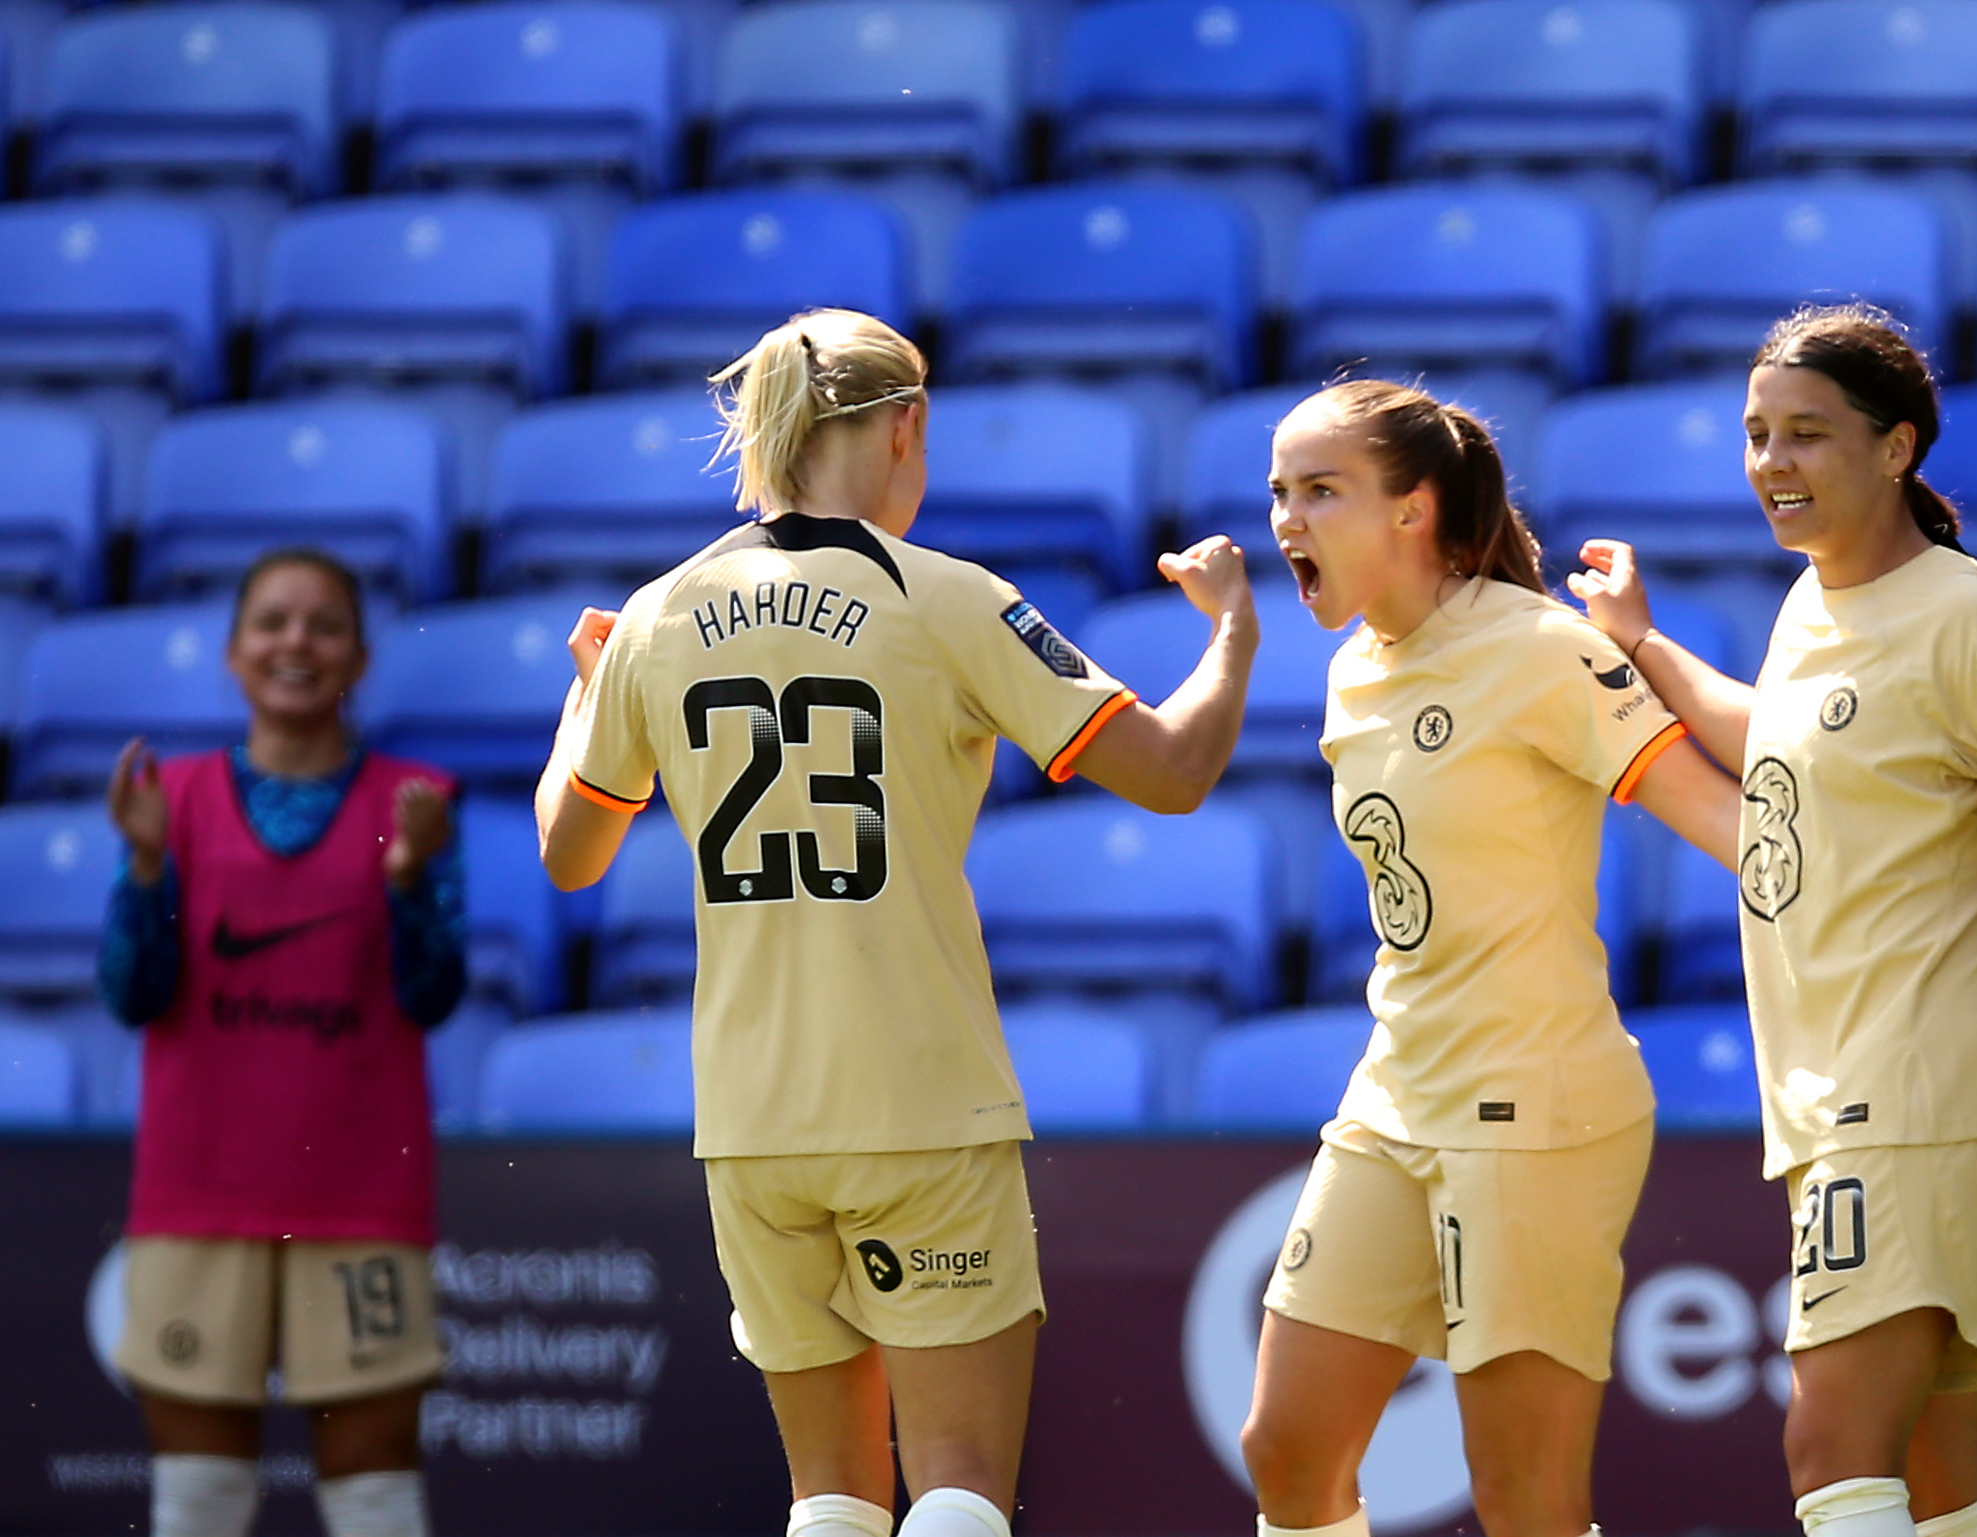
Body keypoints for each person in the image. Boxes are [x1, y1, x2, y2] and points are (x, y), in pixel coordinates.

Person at [532, 308, 1257, 1537]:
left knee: (829, 1500)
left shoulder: (656, 615)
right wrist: (1234, 630)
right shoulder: (949, 600)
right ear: (907, 426)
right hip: (916, 1096)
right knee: (960, 1482)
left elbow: (568, 850)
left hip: (751, 1121)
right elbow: (1174, 771)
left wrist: (583, 697)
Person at [1571, 304, 1977, 1537]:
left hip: (1909, 1085)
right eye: (1753, 436)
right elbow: (1774, 739)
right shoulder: (1811, 602)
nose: (1770, 465)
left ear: (1896, 448)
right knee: (1941, 1473)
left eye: (1804, 434)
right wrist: (1644, 649)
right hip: (1843, 1090)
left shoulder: (1968, 615)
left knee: (1828, 1444)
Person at [1239, 379, 1741, 1537]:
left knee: (1524, 1498)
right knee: (1288, 1448)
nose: (1287, 521)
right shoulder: (1352, 667)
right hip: (1396, 1091)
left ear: (1413, 509)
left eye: (1322, 490)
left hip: (1535, 1100)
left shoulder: (1537, 648)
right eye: (1279, 492)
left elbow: (1723, 825)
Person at [100, 549, 466, 1537]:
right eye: (271, 622)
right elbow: (131, 994)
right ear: (232, 653)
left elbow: (434, 995)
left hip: (359, 1194)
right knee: (200, 1493)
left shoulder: (417, 804)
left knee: (374, 1482)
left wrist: (409, 883)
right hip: (198, 1187)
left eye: (322, 625)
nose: (294, 643)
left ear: (358, 656)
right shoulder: (163, 801)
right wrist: (143, 867)